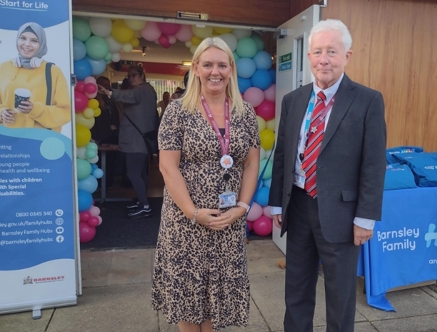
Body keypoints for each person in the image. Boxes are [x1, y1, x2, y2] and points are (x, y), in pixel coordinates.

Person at [268, 19, 386, 332]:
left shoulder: (367, 101)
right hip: (299, 207)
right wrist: (278, 204)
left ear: (347, 56)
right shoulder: (293, 100)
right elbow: (282, 155)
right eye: (317, 52)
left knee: (340, 295)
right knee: (296, 288)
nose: (324, 59)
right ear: (308, 57)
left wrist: (366, 218)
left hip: (343, 215)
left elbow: (374, 163)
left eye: (331, 51)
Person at [151, 37, 260, 332]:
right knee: (189, 295)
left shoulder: (246, 113)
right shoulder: (177, 111)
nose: (215, 72)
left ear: (231, 69)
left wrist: (242, 206)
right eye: (208, 64)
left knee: (216, 298)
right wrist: (192, 212)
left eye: (222, 65)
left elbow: (251, 164)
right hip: (185, 221)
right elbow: (167, 166)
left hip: (228, 219)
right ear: (196, 68)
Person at [0, 22, 70, 131]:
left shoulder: (53, 71)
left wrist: (35, 109)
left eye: (34, 41)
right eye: (23, 38)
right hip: (6, 139)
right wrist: (0, 111)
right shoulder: (3, 68)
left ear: (41, 44)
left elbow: (65, 112)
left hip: (39, 141)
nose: (27, 44)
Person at [98, 66, 158, 218]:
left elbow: (129, 95)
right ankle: (142, 201)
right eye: (129, 76)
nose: (131, 78)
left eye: (133, 75)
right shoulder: (149, 90)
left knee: (133, 174)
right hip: (142, 139)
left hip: (135, 141)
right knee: (140, 174)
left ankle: (144, 205)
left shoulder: (141, 90)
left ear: (142, 75)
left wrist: (109, 92)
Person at [91, 76, 122, 188]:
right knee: (100, 162)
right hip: (101, 136)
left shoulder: (110, 100)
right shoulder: (94, 101)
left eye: (108, 85)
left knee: (111, 161)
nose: (107, 87)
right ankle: (100, 185)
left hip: (113, 135)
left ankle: (108, 184)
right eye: (104, 84)